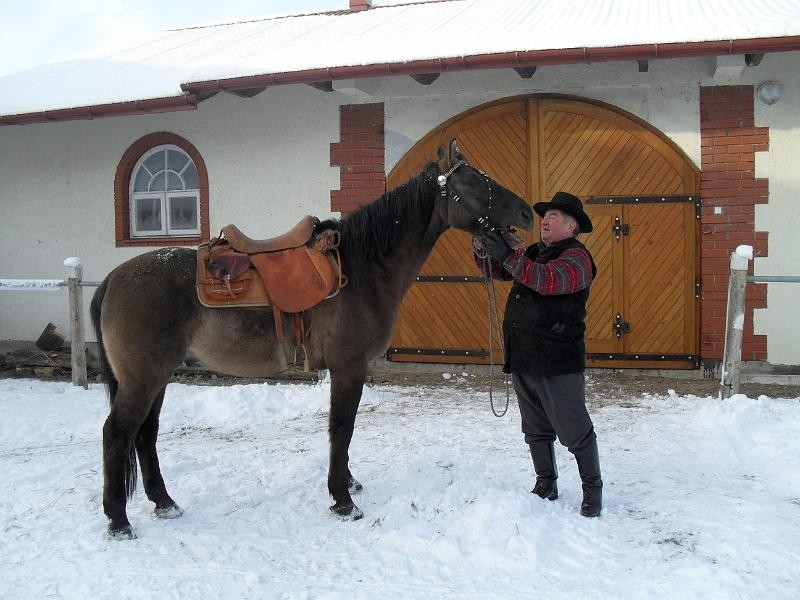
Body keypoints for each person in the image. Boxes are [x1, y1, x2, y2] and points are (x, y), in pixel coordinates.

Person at [474, 191, 602, 517]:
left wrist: (508, 255)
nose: (546, 220)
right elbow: (501, 270)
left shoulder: (577, 258)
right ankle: (546, 482)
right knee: (535, 426)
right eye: (545, 216)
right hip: (524, 354)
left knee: (574, 428)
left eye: (554, 216)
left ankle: (592, 492)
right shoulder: (534, 252)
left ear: (572, 226)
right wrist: (484, 249)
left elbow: (545, 281)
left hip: (558, 359)